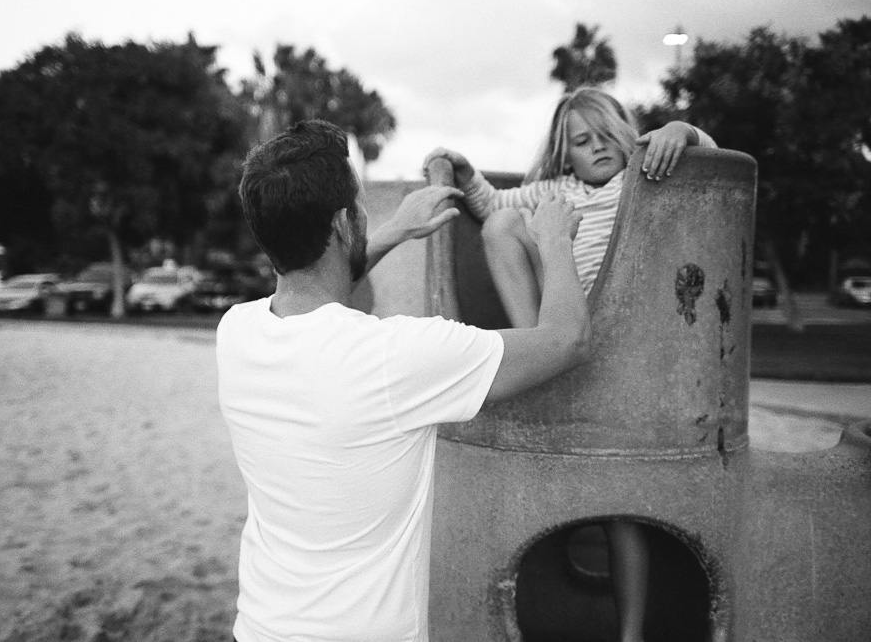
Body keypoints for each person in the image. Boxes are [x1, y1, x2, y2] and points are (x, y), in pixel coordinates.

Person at [218, 119, 592, 642]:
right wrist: (553, 241)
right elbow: (567, 340)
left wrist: (395, 231)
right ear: (346, 225)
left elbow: (312, 285)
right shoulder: (398, 357)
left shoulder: (237, 332)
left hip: (262, 627)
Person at [423, 86, 717, 642]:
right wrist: (463, 172)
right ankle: (540, 350)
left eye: (607, 135)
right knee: (503, 226)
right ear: (566, 156)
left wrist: (683, 131)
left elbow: (707, 162)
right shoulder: (558, 192)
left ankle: (630, 634)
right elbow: (491, 207)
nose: (598, 148)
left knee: (620, 506)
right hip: (565, 327)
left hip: (626, 345)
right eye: (583, 141)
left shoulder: (645, 177)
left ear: (628, 137)